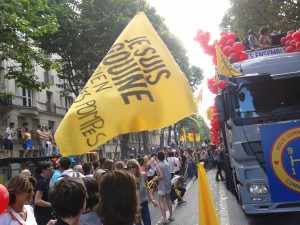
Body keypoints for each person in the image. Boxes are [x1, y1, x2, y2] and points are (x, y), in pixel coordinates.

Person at [127, 159, 158, 225]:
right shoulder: (129, 178)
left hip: (144, 203)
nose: (131, 169)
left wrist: (152, 199)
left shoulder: (143, 175)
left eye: (133, 167)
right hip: (135, 205)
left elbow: (147, 187)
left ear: (137, 166)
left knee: (148, 223)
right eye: (129, 168)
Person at [153, 150, 174, 224]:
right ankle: (171, 216)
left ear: (158, 157)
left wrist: (156, 178)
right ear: (164, 156)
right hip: (168, 184)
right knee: (168, 200)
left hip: (162, 185)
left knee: (161, 201)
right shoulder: (166, 163)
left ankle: (164, 218)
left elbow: (161, 176)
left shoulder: (159, 165)